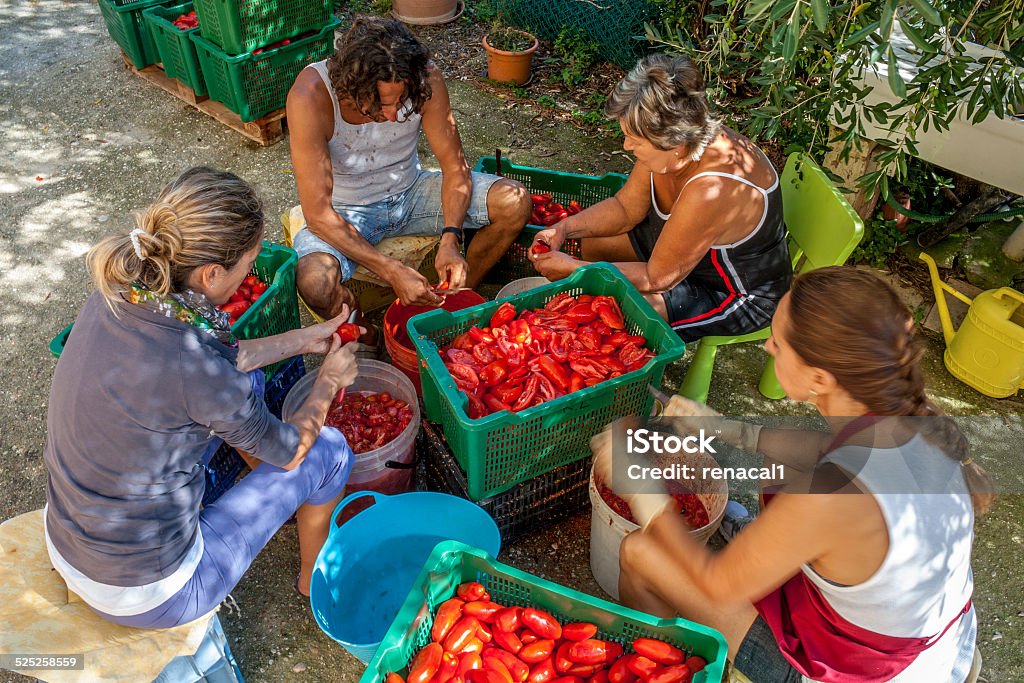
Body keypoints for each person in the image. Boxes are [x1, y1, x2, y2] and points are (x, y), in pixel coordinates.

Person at [593, 267, 993, 682]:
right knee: (779, 473)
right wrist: (729, 430)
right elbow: (821, 450)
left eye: (779, 344)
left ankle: (660, 671)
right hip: (937, 643)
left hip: (850, 671)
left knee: (640, 553)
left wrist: (640, 489)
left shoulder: (831, 495)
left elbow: (715, 583)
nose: (767, 346)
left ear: (820, 378)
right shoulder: (921, 424)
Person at [43, 167, 361, 629]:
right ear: (211, 273)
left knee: (248, 389)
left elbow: (218, 358)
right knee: (328, 452)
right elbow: (293, 450)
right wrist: (328, 381)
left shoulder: (121, 290)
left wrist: (302, 338)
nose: (248, 275)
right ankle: (314, 582)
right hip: (155, 593)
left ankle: (264, 494)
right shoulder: (199, 371)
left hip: (72, 543)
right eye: (247, 265)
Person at [286, 16, 531, 337]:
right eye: (382, 103)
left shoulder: (424, 77)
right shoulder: (310, 96)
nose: (393, 115)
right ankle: (364, 334)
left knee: (515, 202)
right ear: (351, 86)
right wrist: (391, 270)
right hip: (344, 210)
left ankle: (453, 304)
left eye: (402, 101)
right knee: (314, 283)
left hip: (412, 192)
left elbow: (455, 166)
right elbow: (318, 215)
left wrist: (450, 239)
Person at [531, 54, 791, 342]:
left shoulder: (713, 189)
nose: (627, 146)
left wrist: (576, 269)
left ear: (676, 144)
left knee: (630, 312)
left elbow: (657, 279)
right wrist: (563, 228)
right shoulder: (673, 146)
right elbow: (625, 208)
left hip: (732, 294)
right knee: (592, 242)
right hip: (672, 254)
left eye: (635, 140)